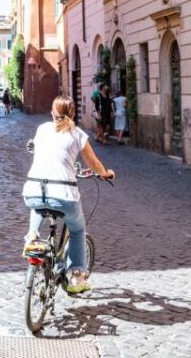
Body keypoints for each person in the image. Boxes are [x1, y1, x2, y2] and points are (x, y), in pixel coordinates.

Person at [23, 96, 115, 294]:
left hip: (33, 188)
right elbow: (93, 163)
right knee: (78, 229)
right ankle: (76, 276)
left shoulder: (42, 129)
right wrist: (105, 173)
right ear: (72, 114)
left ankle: (32, 235)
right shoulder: (77, 134)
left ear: (52, 112)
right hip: (64, 194)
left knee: (38, 203)